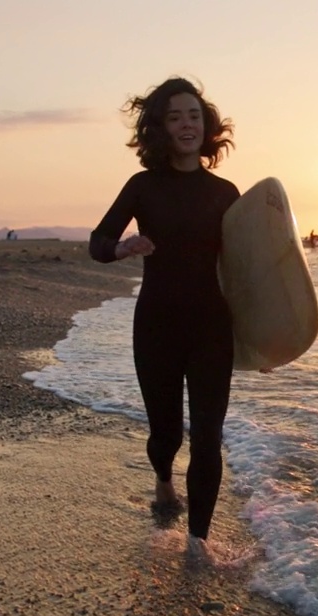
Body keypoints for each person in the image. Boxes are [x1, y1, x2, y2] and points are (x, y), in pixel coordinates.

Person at [88, 77, 240, 543]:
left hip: (212, 327)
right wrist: (124, 247)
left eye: (194, 115)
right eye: (175, 117)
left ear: (207, 124)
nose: (187, 124)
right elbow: (98, 243)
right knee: (166, 435)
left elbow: (245, 273)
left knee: (208, 438)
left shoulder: (226, 193)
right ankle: (162, 481)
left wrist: (266, 335)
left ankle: (198, 546)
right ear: (160, 127)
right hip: (156, 325)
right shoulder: (142, 186)